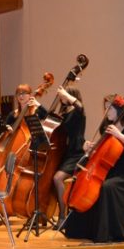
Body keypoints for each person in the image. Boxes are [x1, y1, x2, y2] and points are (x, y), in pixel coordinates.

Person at [62, 94, 124, 243]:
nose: (106, 111)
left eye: (109, 108)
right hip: (110, 170)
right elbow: (104, 152)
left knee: (107, 188)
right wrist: (90, 148)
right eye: (105, 107)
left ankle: (108, 233)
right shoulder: (106, 127)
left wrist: (119, 135)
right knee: (92, 187)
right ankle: (84, 230)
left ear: (119, 109)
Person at [51, 86, 86, 221]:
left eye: (64, 95)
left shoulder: (78, 113)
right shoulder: (65, 113)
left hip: (76, 154)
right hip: (65, 154)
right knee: (50, 178)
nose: (61, 98)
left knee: (57, 178)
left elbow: (80, 106)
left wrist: (66, 94)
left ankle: (62, 216)